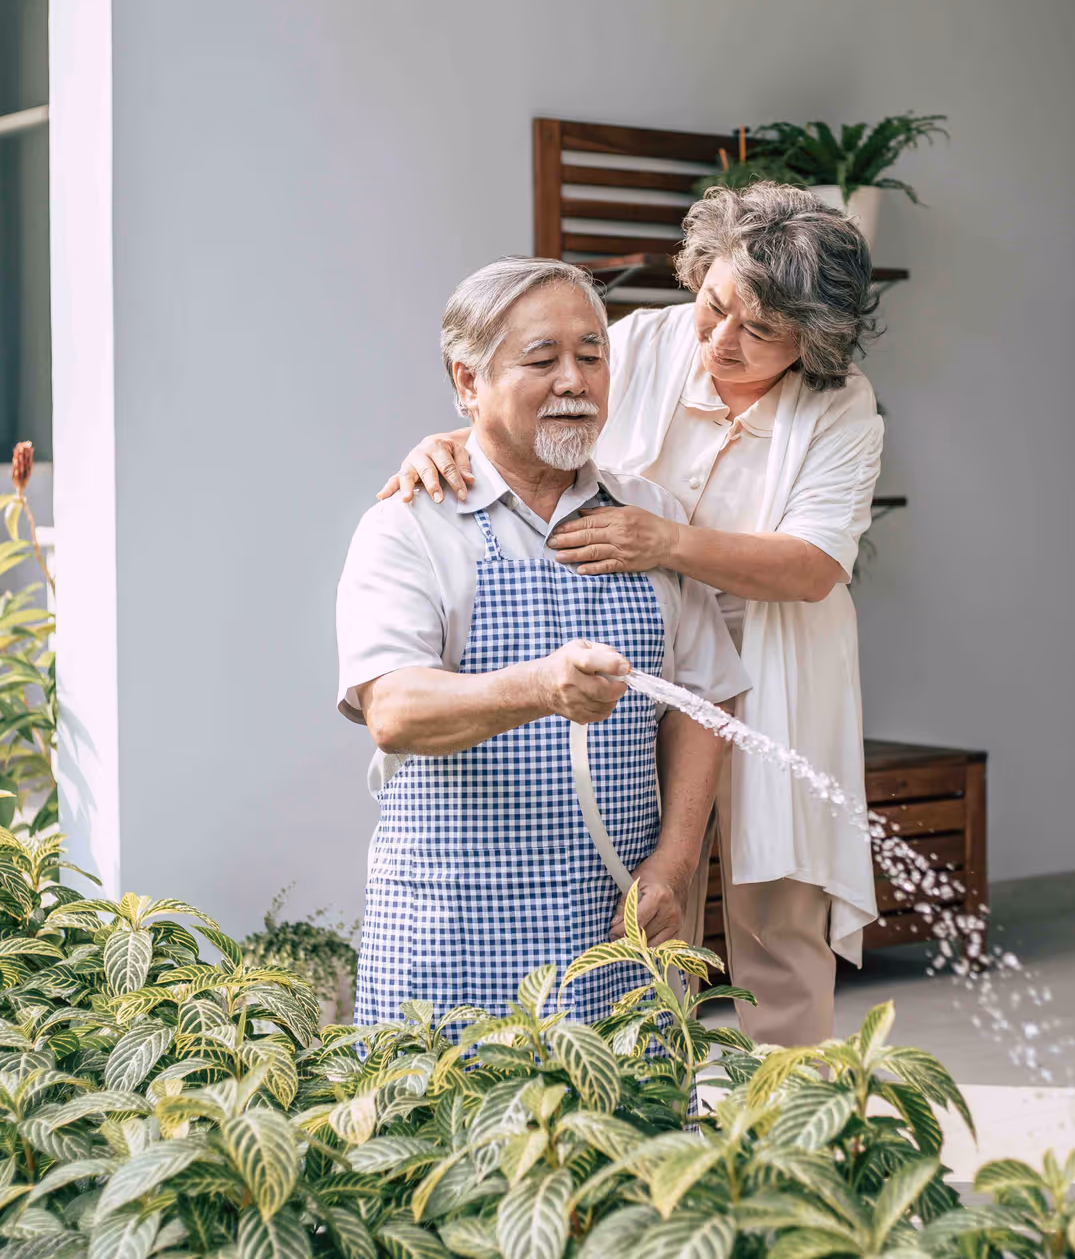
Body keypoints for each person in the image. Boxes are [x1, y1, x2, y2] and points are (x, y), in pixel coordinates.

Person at [378, 184, 884, 1045]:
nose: (720, 340)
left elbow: (812, 567)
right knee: (651, 887)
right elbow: (541, 408)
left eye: (758, 331)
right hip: (645, 649)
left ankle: (794, 1133)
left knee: (778, 917)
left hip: (777, 662)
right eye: (715, 305)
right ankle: (661, 1093)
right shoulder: (645, 339)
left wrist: (667, 541)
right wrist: (446, 442)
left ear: (813, 340)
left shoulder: (840, 407)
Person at [337, 257, 748, 1027]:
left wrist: (677, 862)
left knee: (633, 1142)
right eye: (542, 359)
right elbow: (393, 709)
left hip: (618, 931)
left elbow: (703, 695)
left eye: (592, 356)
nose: (575, 381)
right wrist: (541, 689)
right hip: (454, 940)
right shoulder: (409, 526)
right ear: (468, 384)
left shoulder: (649, 514)